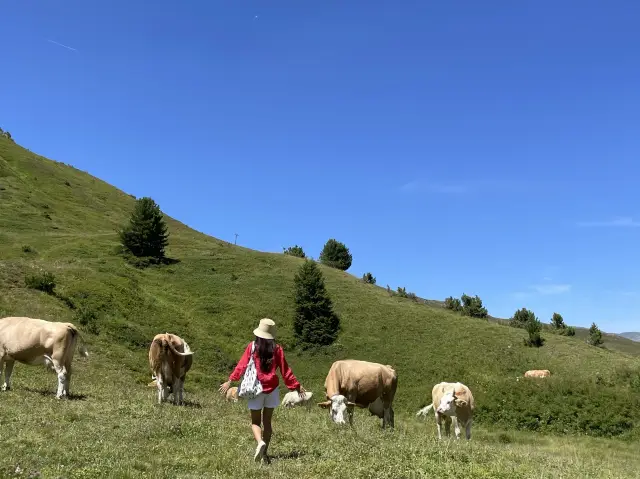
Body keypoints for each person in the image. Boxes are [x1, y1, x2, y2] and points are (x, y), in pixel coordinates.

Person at [219, 318, 306, 463]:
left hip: (256, 389)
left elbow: (241, 366)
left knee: (255, 422)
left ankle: (260, 442)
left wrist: (230, 380)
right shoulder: (277, 349)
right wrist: (296, 385)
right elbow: (286, 371)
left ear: (258, 334)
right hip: (272, 390)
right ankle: (264, 455)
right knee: (268, 423)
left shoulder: (252, 347)